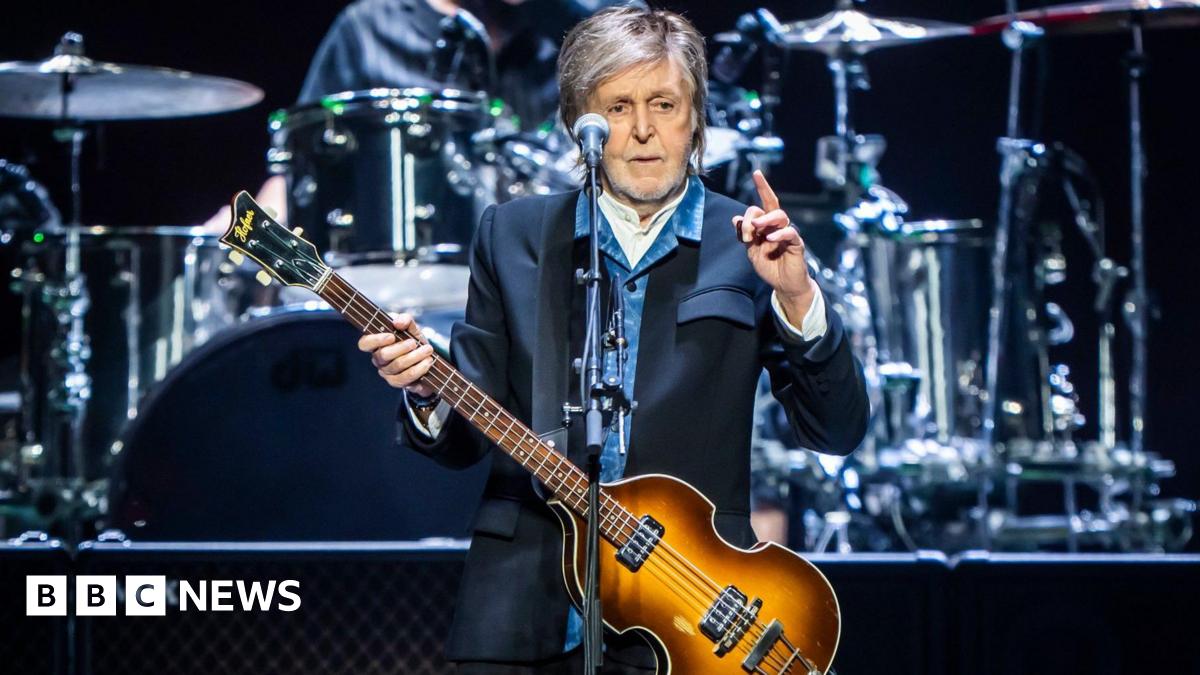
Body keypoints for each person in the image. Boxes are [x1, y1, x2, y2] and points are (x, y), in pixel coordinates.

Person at [358, 6, 870, 673]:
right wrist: (428, 390)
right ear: (579, 124)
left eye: (664, 103)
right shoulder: (512, 235)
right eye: (619, 107)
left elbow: (836, 429)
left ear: (696, 120)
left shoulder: (745, 241)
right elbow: (465, 436)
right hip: (523, 613)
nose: (644, 131)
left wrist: (799, 299)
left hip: (696, 614)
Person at [203, 0, 625, 231]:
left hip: (550, 281)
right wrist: (246, 230)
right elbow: (299, 173)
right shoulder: (368, 28)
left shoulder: (587, 32)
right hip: (392, 293)